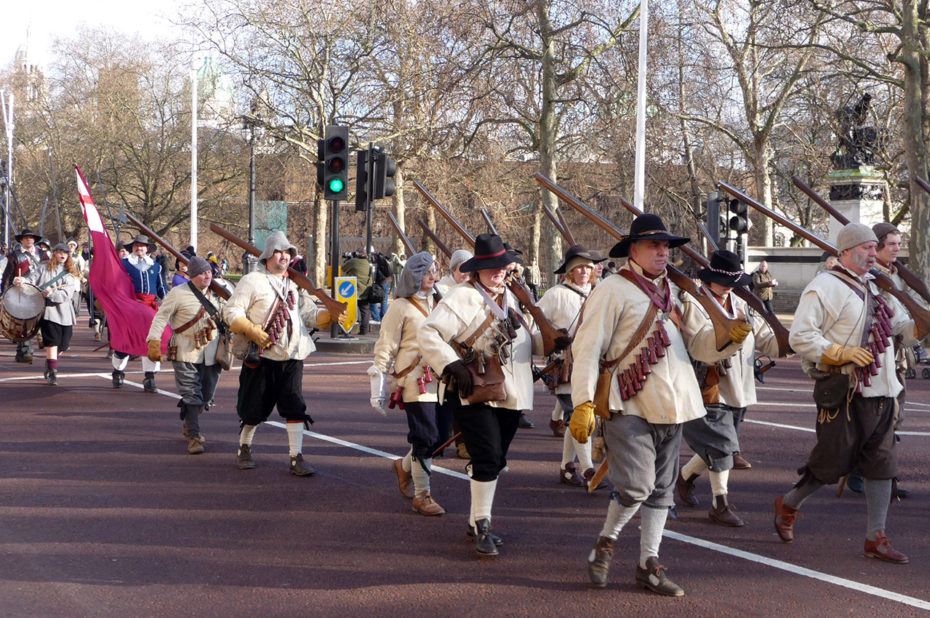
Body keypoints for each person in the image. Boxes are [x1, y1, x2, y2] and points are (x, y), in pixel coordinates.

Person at [569, 214, 745, 596]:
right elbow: (587, 347)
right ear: (633, 250)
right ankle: (606, 542)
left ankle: (648, 563)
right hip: (627, 402)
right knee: (636, 486)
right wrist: (582, 401)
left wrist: (728, 339)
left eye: (666, 246)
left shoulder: (674, 291)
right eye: (654, 245)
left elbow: (695, 348)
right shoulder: (612, 289)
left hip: (675, 402)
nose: (663, 251)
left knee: (662, 492)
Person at [775, 223, 919, 564]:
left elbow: (902, 329)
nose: (874, 254)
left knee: (882, 465)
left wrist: (922, 323)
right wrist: (839, 352)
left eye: (874, 248)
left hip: (884, 391)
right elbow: (800, 337)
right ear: (846, 251)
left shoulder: (878, 286)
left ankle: (875, 537)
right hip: (846, 392)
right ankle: (789, 504)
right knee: (830, 464)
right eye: (868, 248)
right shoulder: (824, 286)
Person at [419, 233, 566, 557]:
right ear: (477, 270)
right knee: (486, 457)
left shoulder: (512, 299)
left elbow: (527, 344)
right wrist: (451, 364)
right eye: (491, 267)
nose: (498, 271)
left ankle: (475, 523)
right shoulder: (461, 297)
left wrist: (553, 341)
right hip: (474, 389)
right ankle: (483, 524)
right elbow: (427, 334)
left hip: (513, 393)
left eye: (502, 265)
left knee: (496, 459)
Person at [676, 250, 781, 526]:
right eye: (723, 280)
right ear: (709, 279)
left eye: (733, 281)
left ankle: (684, 478)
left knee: (720, 446)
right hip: (707, 385)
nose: (728, 286)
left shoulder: (742, 303)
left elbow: (765, 336)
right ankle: (719, 504)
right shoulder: (693, 302)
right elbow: (698, 343)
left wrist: (788, 343)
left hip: (739, 386)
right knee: (723, 447)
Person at [223, 231, 338, 476]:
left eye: (288, 252)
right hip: (263, 355)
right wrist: (250, 329)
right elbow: (231, 312)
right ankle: (244, 446)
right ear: (268, 256)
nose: (284, 256)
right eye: (279, 251)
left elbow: (307, 314)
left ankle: (296, 457)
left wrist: (328, 317)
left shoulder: (296, 284)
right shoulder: (252, 281)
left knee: (294, 405)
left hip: (294, 354)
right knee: (253, 408)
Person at [369, 252, 445, 516]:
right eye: (426, 272)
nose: (432, 277)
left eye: (434, 271)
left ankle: (403, 467)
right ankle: (422, 495)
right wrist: (378, 382)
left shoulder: (441, 302)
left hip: (443, 378)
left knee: (440, 437)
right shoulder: (401, 307)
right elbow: (386, 344)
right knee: (425, 437)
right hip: (415, 380)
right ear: (414, 276)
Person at [537, 245, 605, 487]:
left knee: (577, 417)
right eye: (578, 268)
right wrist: (554, 336)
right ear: (569, 271)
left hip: (594, 363)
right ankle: (588, 470)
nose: (584, 272)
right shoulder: (555, 294)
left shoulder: (601, 292)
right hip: (565, 364)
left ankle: (567, 467)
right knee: (577, 416)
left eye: (588, 267)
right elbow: (536, 325)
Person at [147, 257, 224, 455]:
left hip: (212, 352)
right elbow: (161, 317)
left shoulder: (218, 292)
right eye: (201, 273)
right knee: (191, 393)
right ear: (191, 276)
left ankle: (189, 418)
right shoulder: (177, 294)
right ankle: (194, 437)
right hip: (185, 349)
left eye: (208, 272)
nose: (207, 276)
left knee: (206, 396)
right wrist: (154, 341)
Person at [112, 235, 166, 392]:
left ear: (147, 248)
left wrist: (168, 300)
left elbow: (161, 286)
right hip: (129, 308)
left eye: (142, 246)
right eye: (136, 246)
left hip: (149, 310)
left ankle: (150, 378)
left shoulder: (155, 266)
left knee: (151, 342)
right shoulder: (123, 265)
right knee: (124, 342)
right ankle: (118, 371)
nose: (139, 248)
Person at [33, 243, 82, 385]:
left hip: (65, 312)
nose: (62, 255)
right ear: (54, 253)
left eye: (65, 253)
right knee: (52, 341)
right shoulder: (42, 268)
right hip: (48, 311)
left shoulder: (70, 275)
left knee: (64, 344)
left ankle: (50, 362)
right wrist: (21, 280)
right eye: (60, 252)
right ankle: (52, 371)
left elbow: (66, 294)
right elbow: (30, 281)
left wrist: (52, 293)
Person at [2, 229, 47, 363]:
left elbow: (49, 271)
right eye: (26, 238)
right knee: (24, 322)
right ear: (21, 240)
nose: (29, 240)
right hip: (21, 292)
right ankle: (25, 350)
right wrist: (5, 294)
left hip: (40, 291)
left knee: (43, 319)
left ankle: (40, 339)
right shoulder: (14, 255)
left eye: (31, 238)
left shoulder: (43, 255)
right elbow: (7, 276)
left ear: (34, 240)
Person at [343, 249, 374, 334]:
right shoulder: (368, 263)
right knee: (365, 311)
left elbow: (343, 268)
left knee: (349, 309)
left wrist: (348, 258)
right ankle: (364, 330)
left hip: (354, 290)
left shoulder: (354, 262)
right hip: (365, 290)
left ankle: (347, 329)